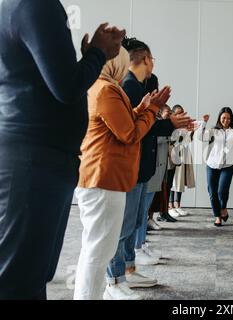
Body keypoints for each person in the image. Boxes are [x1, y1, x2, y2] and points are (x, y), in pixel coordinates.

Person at [0, 0, 124, 300]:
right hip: (34, 160)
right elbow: (67, 87)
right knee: (19, 280)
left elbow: (54, 80)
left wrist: (89, 59)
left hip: (38, 158)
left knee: (32, 273)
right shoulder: (34, 4)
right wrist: (97, 53)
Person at [73, 47, 171, 300]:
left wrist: (142, 109)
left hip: (102, 177)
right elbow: (129, 134)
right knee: (98, 251)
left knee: (96, 249)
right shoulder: (106, 89)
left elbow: (122, 123)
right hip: (104, 178)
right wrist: (151, 110)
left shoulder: (103, 87)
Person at [104, 38, 192, 300]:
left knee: (132, 223)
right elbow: (136, 128)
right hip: (129, 165)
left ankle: (128, 269)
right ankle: (114, 279)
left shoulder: (137, 86)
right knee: (122, 228)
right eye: (152, 58)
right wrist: (170, 123)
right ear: (144, 59)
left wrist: (162, 117)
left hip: (140, 166)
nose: (154, 63)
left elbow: (145, 122)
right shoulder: (128, 86)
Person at [197, 107, 233, 226]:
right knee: (212, 192)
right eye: (224, 118)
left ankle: (223, 207)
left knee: (222, 191)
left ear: (231, 119)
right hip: (212, 164)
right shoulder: (214, 130)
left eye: (229, 118)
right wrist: (204, 123)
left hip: (228, 166)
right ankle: (217, 216)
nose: (226, 120)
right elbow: (200, 137)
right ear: (219, 118)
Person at [168, 105, 197, 218]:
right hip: (175, 154)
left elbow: (188, 140)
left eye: (182, 112)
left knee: (181, 180)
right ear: (173, 114)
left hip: (184, 153)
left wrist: (192, 131)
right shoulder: (171, 125)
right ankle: (170, 206)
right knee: (173, 181)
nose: (181, 114)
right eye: (178, 113)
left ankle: (178, 205)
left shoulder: (185, 126)